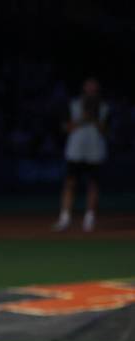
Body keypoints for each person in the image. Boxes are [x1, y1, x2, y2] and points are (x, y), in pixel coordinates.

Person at [54, 77, 109, 232]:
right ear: (83, 88)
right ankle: (64, 219)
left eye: (94, 87)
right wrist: (84, 119)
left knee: (93, 185)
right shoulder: (73, 105)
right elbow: (66, 128)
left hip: (95, 151)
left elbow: (107, 131)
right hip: (75, 150)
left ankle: (89, 219)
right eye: (88, 87)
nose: (91, 90)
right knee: (70, 183)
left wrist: (95, 119)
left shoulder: (104, 107)